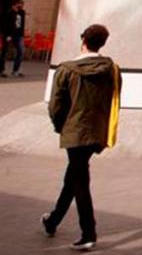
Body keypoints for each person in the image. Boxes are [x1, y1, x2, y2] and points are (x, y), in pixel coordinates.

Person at [42, 23, 121, 252]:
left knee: (80, 182)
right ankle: (53, 220)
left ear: (83, 40)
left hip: (75, 132)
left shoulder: (66, 69)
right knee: (74, 176)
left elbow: (55, 106)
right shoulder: (112, 68)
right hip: (97, 132)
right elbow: (114, 100)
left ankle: (89, 233)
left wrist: (61, 127)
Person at [2, 0, 26, 77]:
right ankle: (1, 70)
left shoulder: (22, 12)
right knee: (4, 52)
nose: (22, 5)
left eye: (23, 3)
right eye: (21, 3)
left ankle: (15, 70)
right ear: (16, 3)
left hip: (19, 35)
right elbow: (6, 24)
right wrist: (8, 34)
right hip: (9, 35)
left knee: (21, 51)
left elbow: (22, 25)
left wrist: (22, 35)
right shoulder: (9, 12)